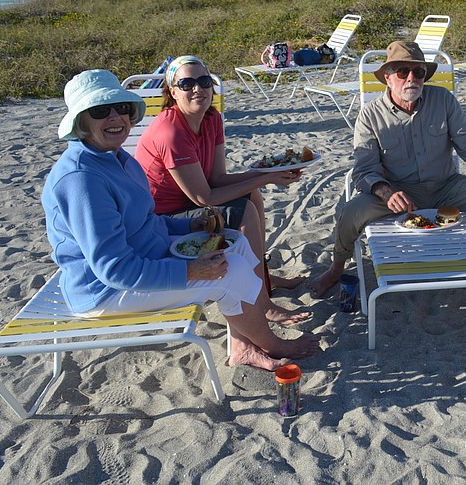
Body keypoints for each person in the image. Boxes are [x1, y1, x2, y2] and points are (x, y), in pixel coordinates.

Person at [42, 70, 321, 371]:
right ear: (80, 122)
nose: (115, 117)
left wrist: (190, 225)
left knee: (236, 244)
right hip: (103, 291)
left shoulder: (118, 159)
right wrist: (189, 270)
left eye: (121, 108)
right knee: (231, 272)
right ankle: (272, 343)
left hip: (144, 256)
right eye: (99, 111)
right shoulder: (82, 180)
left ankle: (242, 346)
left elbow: (146, 222)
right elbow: (114, 269)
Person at [308, 41, 466, 298]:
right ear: (388, 78)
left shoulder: (443, 100)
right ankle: (336, 268)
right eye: (403, 71)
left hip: (446, 187)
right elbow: (364, 169)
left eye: (419, 72)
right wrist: (385, 192)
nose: (412, 78)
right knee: (353, 211)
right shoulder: (370, 115)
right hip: (399, 194)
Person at [134, 56, 307, 327]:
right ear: (172, 91)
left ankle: (262, 278)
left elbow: (217, 178)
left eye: (204, 81)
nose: (197, 89)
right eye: (186, 83)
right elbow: (204, 198)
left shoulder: (211, 118)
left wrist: (269, 175)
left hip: (192, 201)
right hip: (164, 218)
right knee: (246, 210)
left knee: (252, 196)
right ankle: (264, 305)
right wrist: (265, 178)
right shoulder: (171, 133)